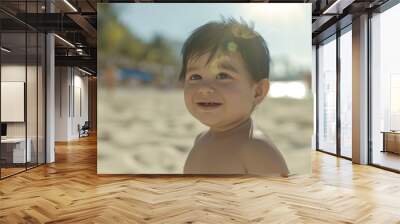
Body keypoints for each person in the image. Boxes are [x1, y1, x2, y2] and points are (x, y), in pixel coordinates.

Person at [180, 18, 289, 176]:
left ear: (257, 91)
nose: (204, 88)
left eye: (222, 75)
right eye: (195, 77)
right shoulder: (201, 139)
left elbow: (279, 199)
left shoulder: (257, 149)